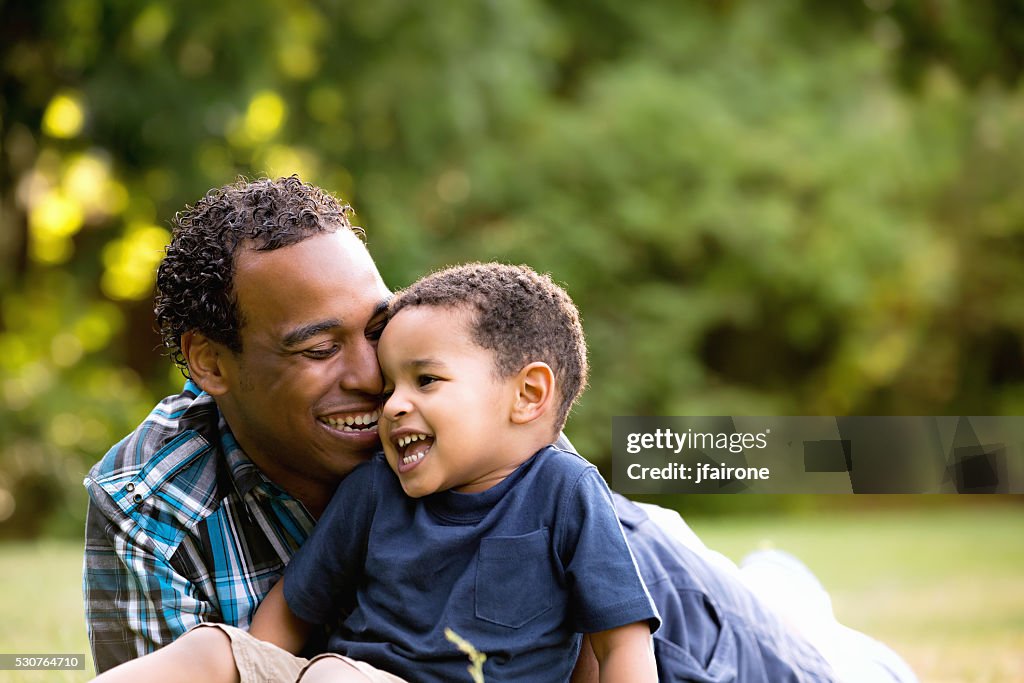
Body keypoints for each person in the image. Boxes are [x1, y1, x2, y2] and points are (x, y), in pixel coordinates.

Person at [84, 176, 917, 682]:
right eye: (318, 347)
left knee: (822, 658)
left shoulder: (457, 411)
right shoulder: (151, 506)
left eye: (375, 329)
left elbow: (602, 644)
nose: (376, 380)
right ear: (212, 363)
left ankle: (792, 597)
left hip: (676, 610)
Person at [92, 262, 661, 682]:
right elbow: (292, 609)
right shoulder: (375, 487)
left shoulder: (566, 490)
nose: (390, 405)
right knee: (214, 648)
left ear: (527, 395)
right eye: (390, 386)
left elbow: (621, 647)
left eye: (426, 381)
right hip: (348, 674)